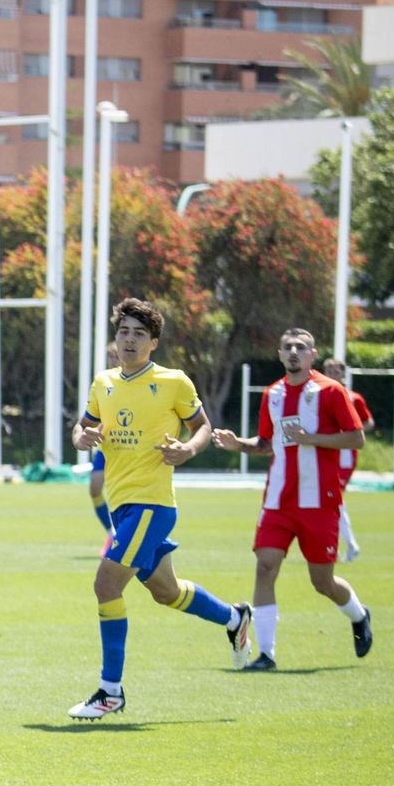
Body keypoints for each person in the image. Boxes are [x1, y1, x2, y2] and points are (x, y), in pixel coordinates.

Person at [68, 297, 253, 719]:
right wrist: (81, 435)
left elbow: (202, 426)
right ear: (115, 340)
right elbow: (85, 424)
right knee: (166, 592)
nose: (129, 340)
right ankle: (234, 618)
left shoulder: (173, 382)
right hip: (124, 506)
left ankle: (110, 691)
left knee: (106, 586)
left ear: (153, 343)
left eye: (138, 334)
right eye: (123, 332)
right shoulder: (104, 383)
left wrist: (188, 448)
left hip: (152, 506)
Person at [212, 330, 373, 670]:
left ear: (313, 355)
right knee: (265, 568)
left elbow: (357, 438)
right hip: (278, 501)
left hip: (319, 502)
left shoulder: (331, 391)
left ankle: (359, 615)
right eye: (288, 347)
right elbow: (267, 444)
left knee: (322, 582)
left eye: (301, 347)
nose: (294, 352)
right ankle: (266, 654)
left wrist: (311, 438)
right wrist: (236, 443)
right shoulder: (272, 393)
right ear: (280, 354)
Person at [322, 357, 374, 562]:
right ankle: (337, 544)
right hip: (324, 453)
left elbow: (368, 422)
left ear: (343, 374)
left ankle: (349, 544)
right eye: (329, 370)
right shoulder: (317, 395)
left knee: (335, 500)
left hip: (344, 456)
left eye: (336, 371)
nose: (333, 374)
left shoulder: (353, 397)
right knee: (330, 501)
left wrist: (351, 429)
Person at [84, 340, 121, 553]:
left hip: (127, 448)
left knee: (122, 493)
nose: (113, 361)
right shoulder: (104, 384)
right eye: (110, 358)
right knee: (95, 488)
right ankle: (111, 533)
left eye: (115, 357)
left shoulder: (136, 383)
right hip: (105, 447)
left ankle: (124, 535)